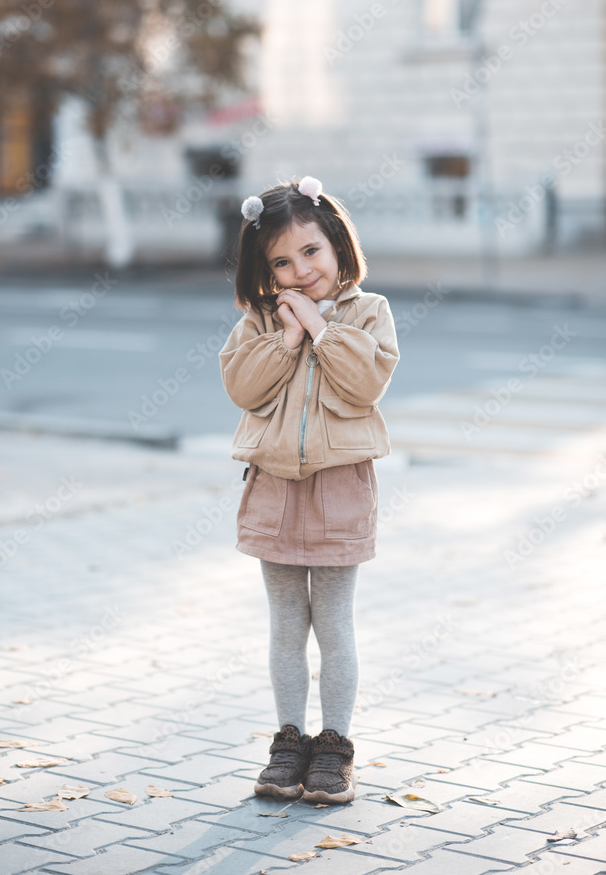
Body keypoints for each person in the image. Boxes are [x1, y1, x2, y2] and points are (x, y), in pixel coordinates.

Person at [218, 176, 399, 805]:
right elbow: (243, 388)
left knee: (335, 623)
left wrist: (320, 326)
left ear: (338, 245)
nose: (299, 271)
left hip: (340, 489)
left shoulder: (369, 311)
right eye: (281, 262)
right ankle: (289, 742)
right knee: (286, 622)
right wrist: (287, 336)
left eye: (311, 252)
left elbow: (365, 383)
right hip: (274, 488)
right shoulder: (260, 320)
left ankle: (335, 745)